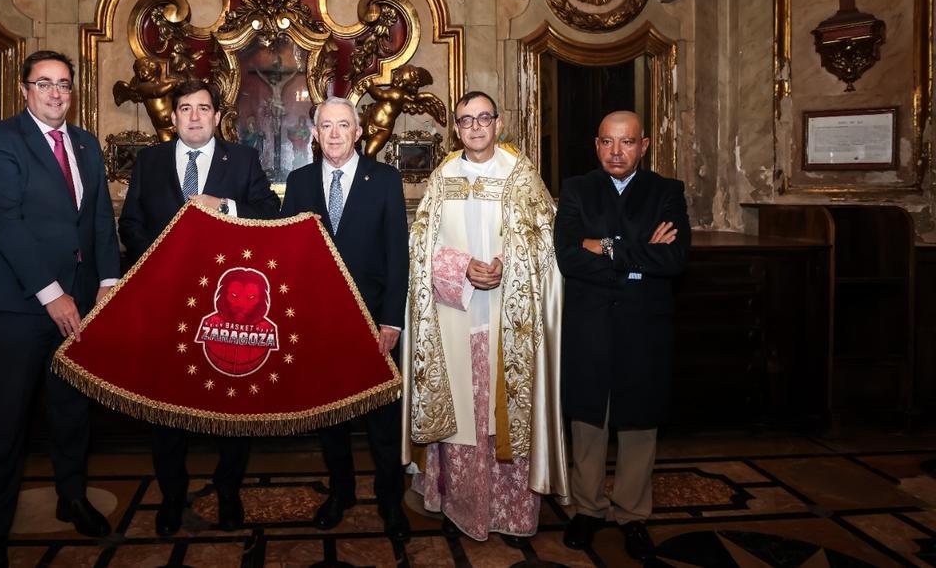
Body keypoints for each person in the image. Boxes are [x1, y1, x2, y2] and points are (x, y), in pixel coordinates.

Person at [0, 50, 120, 567]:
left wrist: (107, 280)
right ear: (25, 89)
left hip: (80, 304)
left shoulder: (85, 143)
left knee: (71, 410)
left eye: (63, 84)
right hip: (19, 307)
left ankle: (72, 496)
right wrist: (51, 294)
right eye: (44, 84)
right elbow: (7, 225)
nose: (55, 93)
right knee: (6, 420)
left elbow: (100, 217)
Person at [117, 79, 280, 535]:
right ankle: (171, 497)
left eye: (202, 108)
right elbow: (130, 222)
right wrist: (159, 259)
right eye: (185, 109)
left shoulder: (242, 159)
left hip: (225, 308)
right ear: (172, 118)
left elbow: (268, 211)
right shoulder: (149, 161)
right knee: (167, 401)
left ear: (215, 116)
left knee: (231, 406)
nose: (193, 116)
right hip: (165, 301)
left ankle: (228, 491)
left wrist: (225, 206)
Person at [407, 91, 569, 543]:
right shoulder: (443, 177)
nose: (475, 127)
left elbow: (545, 243)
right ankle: (463, 507)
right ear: (455, 130)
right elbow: (421, 245)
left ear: (497, 123)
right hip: (456, 314)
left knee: (504, 414)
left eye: (483, 118)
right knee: (464, 413)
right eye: (465, 121)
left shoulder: (521, 176)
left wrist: (505, 265)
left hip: (508, 319)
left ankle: (512, 513)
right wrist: (461, 267)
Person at [554, 110, 690, 562]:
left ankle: (633, 516)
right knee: (588, 421)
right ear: (596, 145)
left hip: (643, 328)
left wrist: (606, 247)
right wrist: (638, 254)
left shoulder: (667, 192)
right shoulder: (576, 190)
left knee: (639, 425)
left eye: (627, 143)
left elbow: (673, 261)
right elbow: (569, 258)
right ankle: (588, 511)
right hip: (589, 326)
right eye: (608, 143)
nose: (617, 151)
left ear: (644, 146)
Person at [280, 97, 410, 541]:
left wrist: (392, 320)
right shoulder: (298, 183)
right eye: (326, 126)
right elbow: (288, 256)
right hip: (320, 324)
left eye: (344, 125)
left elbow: (398, 256)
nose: (335, 134)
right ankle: (341, 493)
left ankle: (391, 501)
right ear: (314, 135)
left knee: (382, 423)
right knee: (331, 418)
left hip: (375, 323)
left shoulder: (385, 180)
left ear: (358, 132)